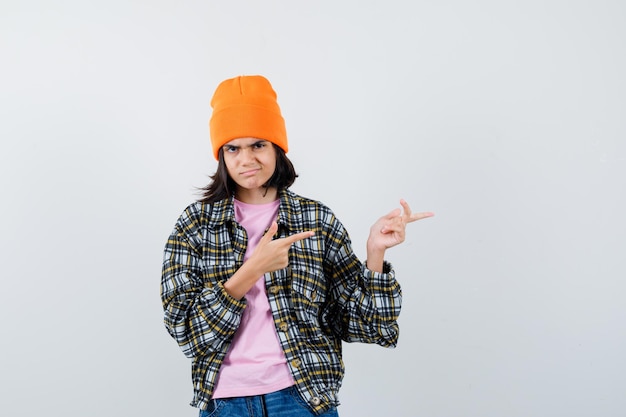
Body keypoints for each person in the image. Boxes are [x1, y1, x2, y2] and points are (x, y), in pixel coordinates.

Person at [161, 75, 434, 417]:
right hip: (225, 404)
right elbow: (186, 333)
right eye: (233, 147)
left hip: (301, 400)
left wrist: (375, 252)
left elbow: (365, 323)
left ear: (277, 146)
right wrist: (253, 269)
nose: (246, 159)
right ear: (221, 155)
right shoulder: (196, 225)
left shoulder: (315, 219)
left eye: (258, 144)